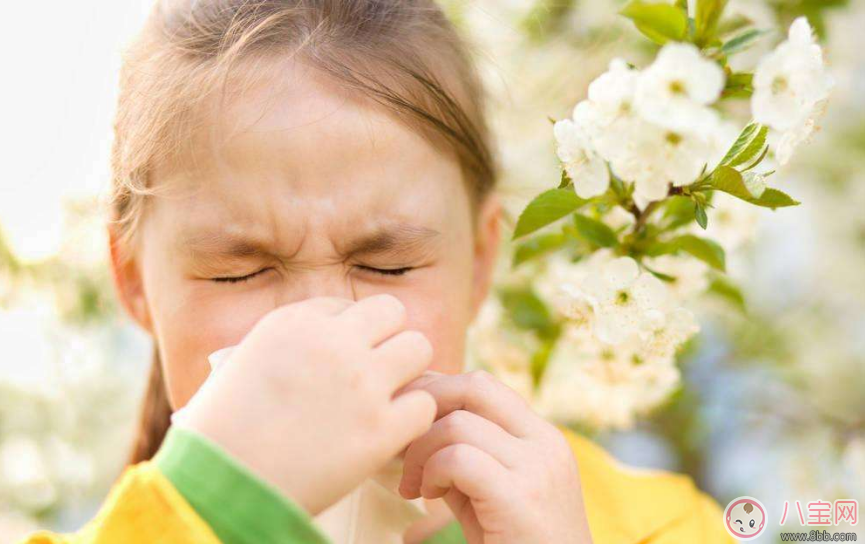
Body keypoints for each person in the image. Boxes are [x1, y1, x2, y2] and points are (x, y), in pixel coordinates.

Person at [20, 1, 734, 542]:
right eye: (238, 272)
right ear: (134, 279)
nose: (320, 332)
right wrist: (204, 507)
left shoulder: (659, 526)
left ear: (480, 260)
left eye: (386, 265)